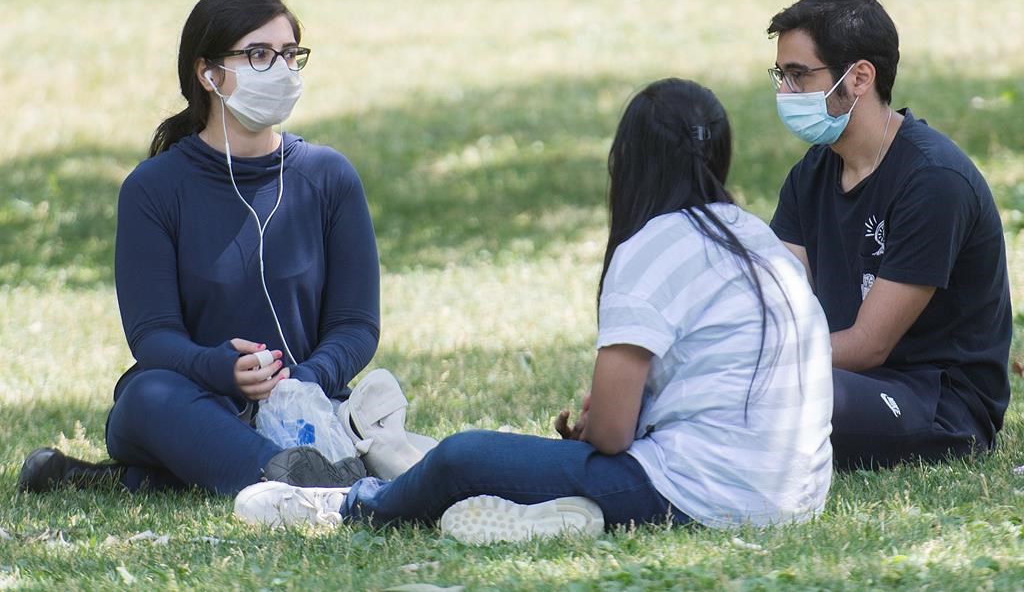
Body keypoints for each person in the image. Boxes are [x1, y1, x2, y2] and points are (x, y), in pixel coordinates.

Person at [233, 79, 835, 543]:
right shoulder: (757, 238)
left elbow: (612, 434)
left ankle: (345, 504)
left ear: (628, 161)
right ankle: (551, 513)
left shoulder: (651, 246)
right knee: (519, 464)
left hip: (706, 495)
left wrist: (592, 433)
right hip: (800, 495)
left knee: (465, 455)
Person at [18, 0, 397, 495]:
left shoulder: (329, 177)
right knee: (146, 397)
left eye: (290, 55)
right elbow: (152, 335)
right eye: (259, 55)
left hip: (307, 406)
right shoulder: (153, 188)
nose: (281, 70)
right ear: (208, 73)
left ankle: (149, 481)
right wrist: (221, 369)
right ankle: (302, 479)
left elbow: (355, 325)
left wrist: (306, 380)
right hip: (192, 398)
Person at [766, 0, 1012, 470]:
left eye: (798, 75)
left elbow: (867, 346)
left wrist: (743, 366)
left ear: (859, 78)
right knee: (751, 390)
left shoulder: (933, 180)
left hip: (938, 401)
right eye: (779, 75)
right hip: (838, 376)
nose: (784, 92)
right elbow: (779, 308)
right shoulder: (810, 175)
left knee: (776, 395)